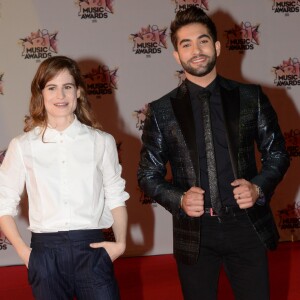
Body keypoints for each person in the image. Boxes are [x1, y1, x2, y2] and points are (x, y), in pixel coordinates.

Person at [138, 6, 290, 300]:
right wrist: (179, 199)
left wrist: (258, 188)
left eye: (203, 40)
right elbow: (147, 174)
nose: (196, 50)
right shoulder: (161, 111)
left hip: (246, 226)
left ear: (217, 46)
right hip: (195, 232)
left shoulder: (251, 97)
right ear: (176, 55)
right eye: (186, 44)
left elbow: (278, 154)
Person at [0, 56, 129, 300]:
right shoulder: (22, 145)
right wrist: (25, 253)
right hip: (45, 254)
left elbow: (115, 195)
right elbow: (3, 202)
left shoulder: (101, 141)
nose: (60, 95)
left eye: (67, 87)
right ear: (41, 93)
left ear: (78, 91)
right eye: (52, 87)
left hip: (91, 249)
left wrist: (121, 243)